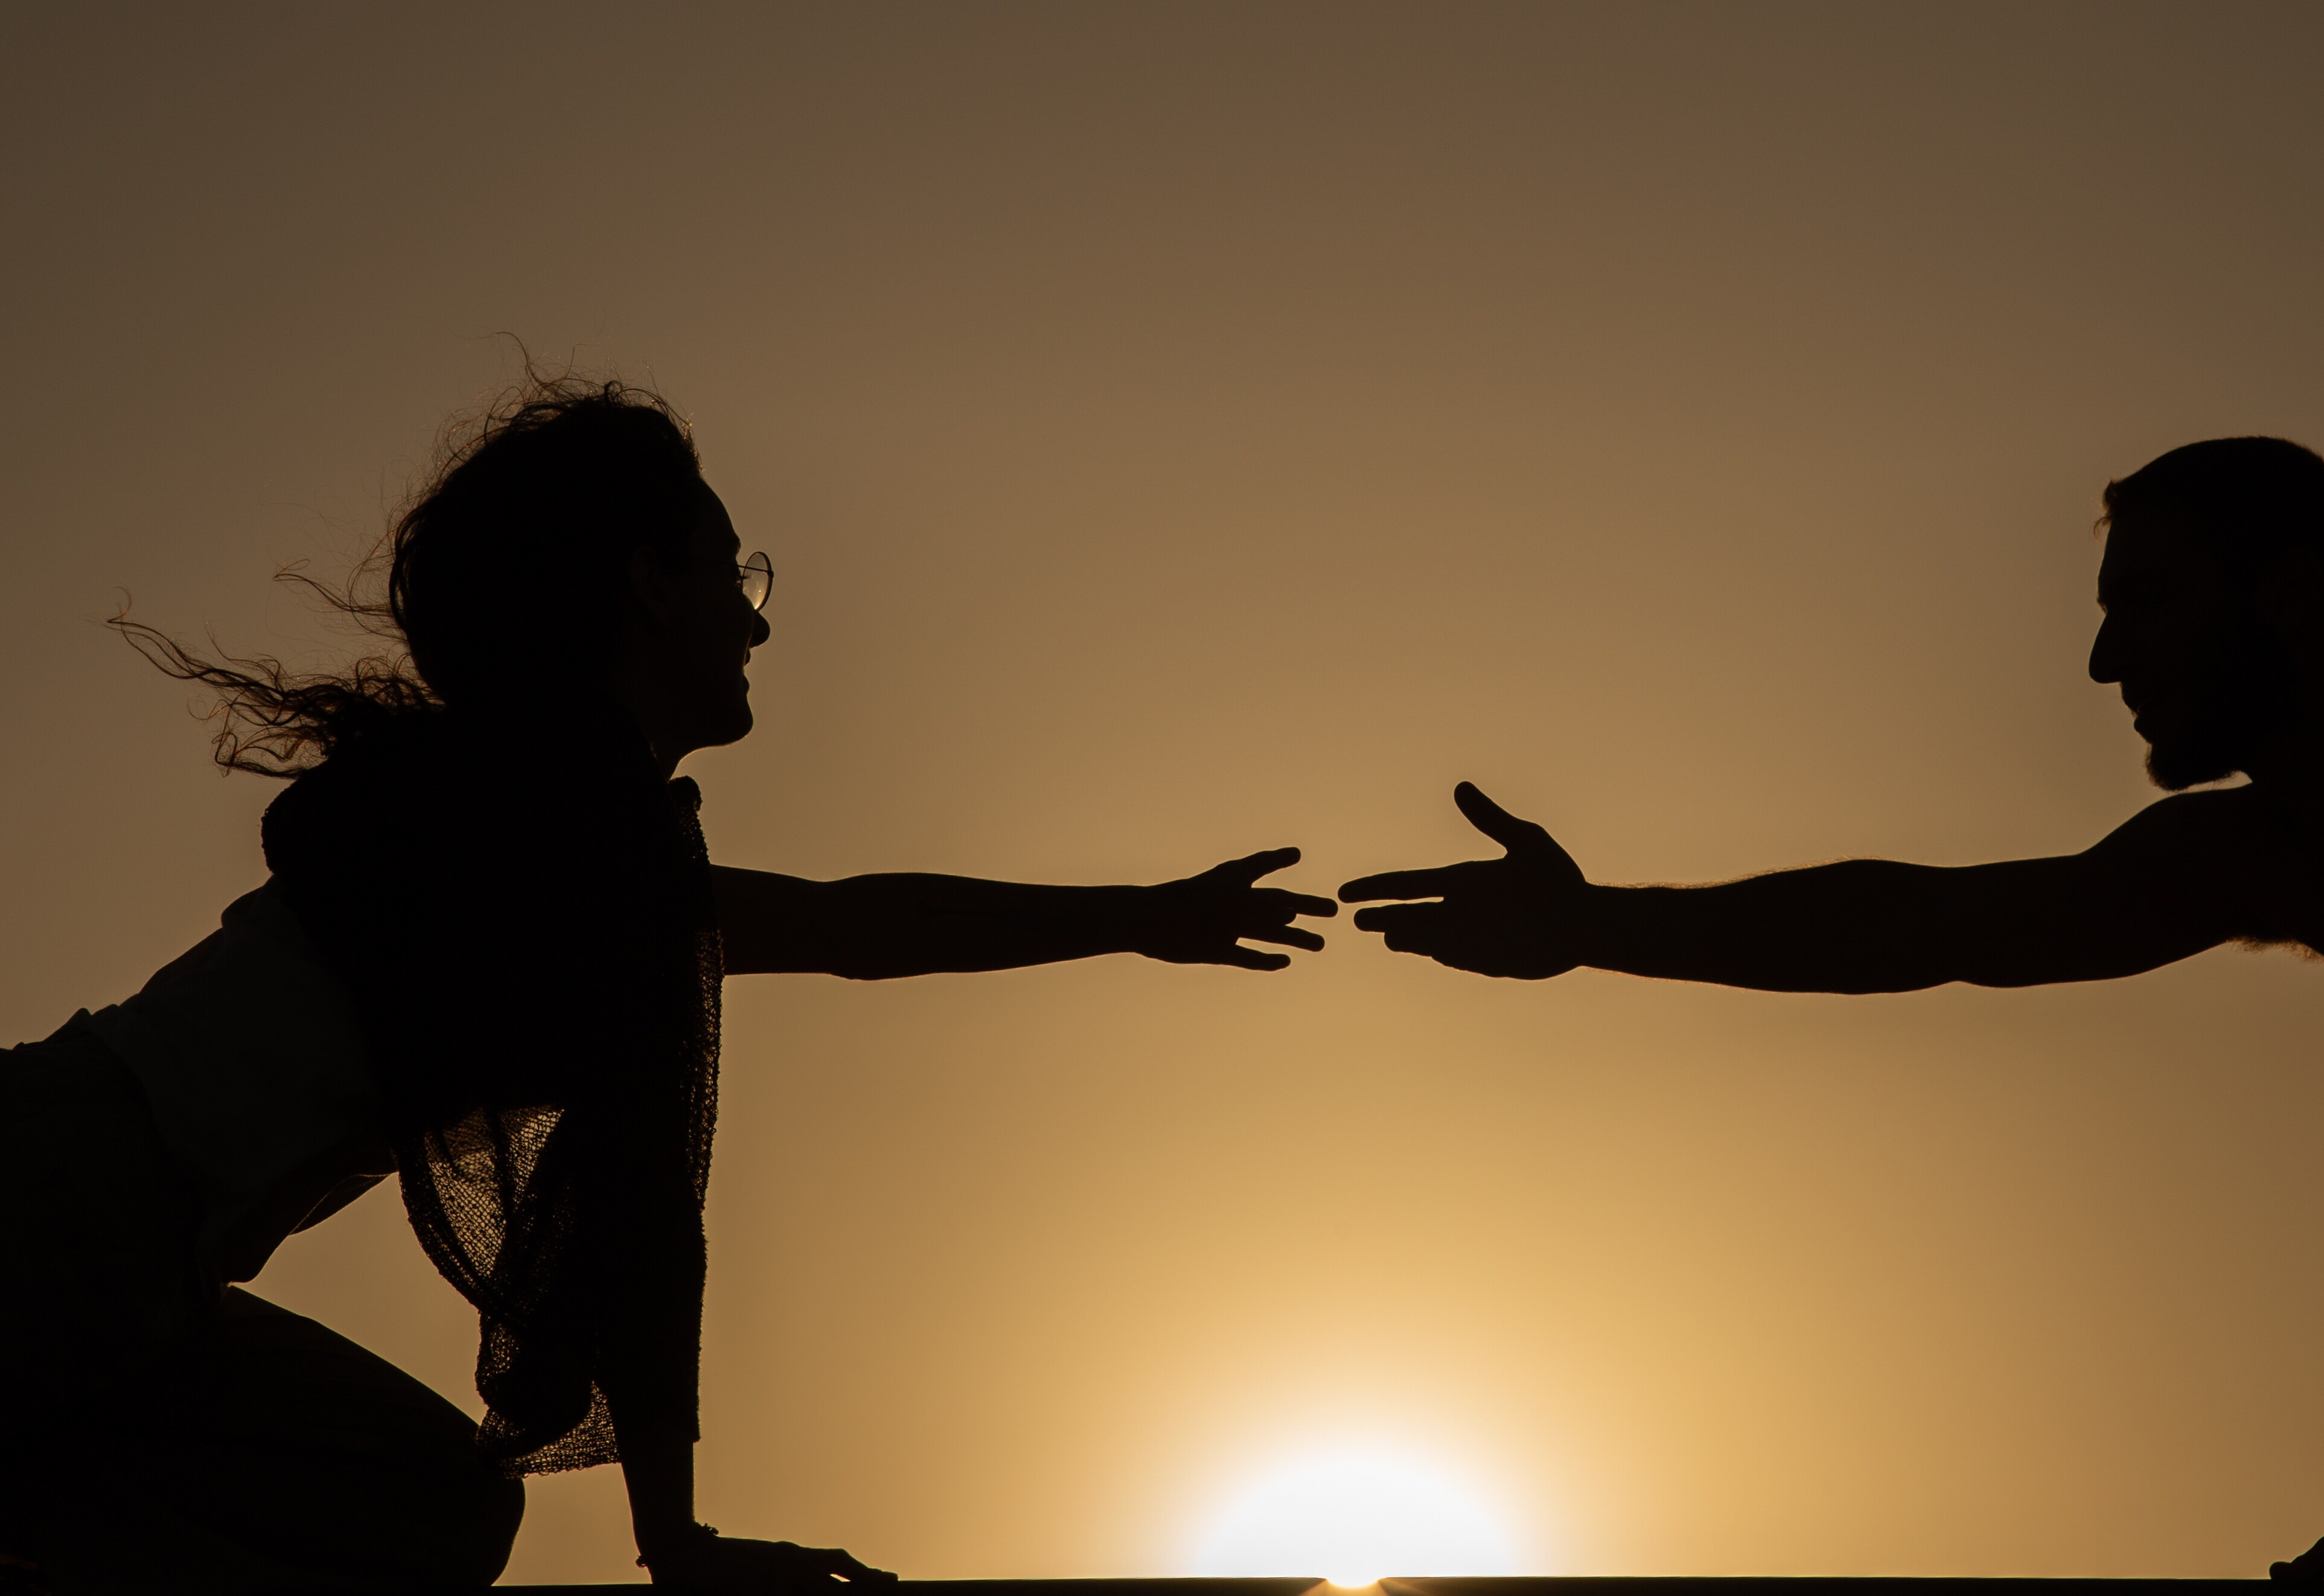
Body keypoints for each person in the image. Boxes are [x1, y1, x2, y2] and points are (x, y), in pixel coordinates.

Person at [1342, 435, 2324, 1585]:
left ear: (2292, 594)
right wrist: (1597, 925)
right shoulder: (2267, 850)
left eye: (2146, 606)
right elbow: (1942, 925)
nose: (2107, 662)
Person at [0, 374, 1333, 1594]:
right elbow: (637, 1212)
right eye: (729, 570)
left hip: (133, 1260)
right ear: (647, 583)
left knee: (427, 1510)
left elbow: (848, 927)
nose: (754, 618)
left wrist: (1145, 915)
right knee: (399, 1519)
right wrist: (676, 1541)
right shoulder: (557, 827)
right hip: (57, 1205)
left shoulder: (551, 823)